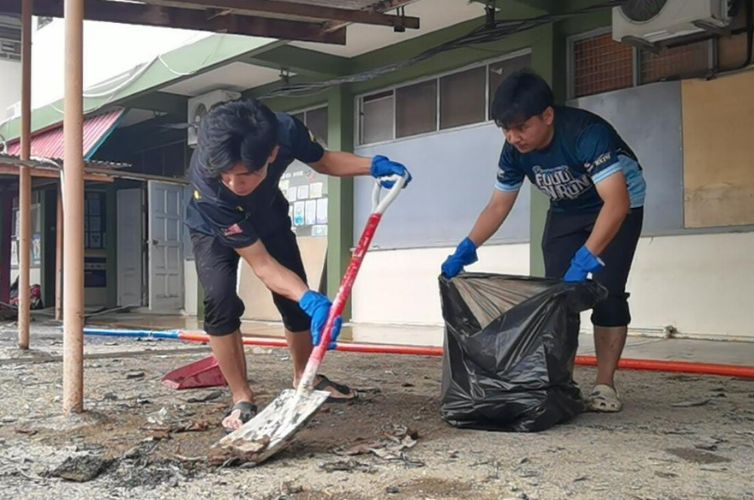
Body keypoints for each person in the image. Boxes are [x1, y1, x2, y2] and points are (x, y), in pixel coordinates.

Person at [185, 99, 411, 431]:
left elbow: (324, 161)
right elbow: (260, 264)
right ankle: (241, 397)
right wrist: (309, 296)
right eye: (227, 175)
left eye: (247, 174)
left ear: (272, 154)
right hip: (212, 227)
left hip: (268, 215)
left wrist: (373, 165)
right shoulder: (210, 184)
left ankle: (305, 378)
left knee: (294, 304)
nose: (236, 184)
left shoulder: (285, 131)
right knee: (220, 302)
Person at [441, 71, 645, 413]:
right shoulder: (514, 151)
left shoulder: (586, 134)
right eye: (505, 129)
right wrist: (467, 247)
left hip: (618, 206)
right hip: (566, 210)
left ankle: (604, 386)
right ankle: (559, 381)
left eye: (521, 127)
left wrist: (587, 258)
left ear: (547, 116)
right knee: (557, 297)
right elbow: (498, 205)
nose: (513, 137)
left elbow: (617, 202)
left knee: (607, 292)